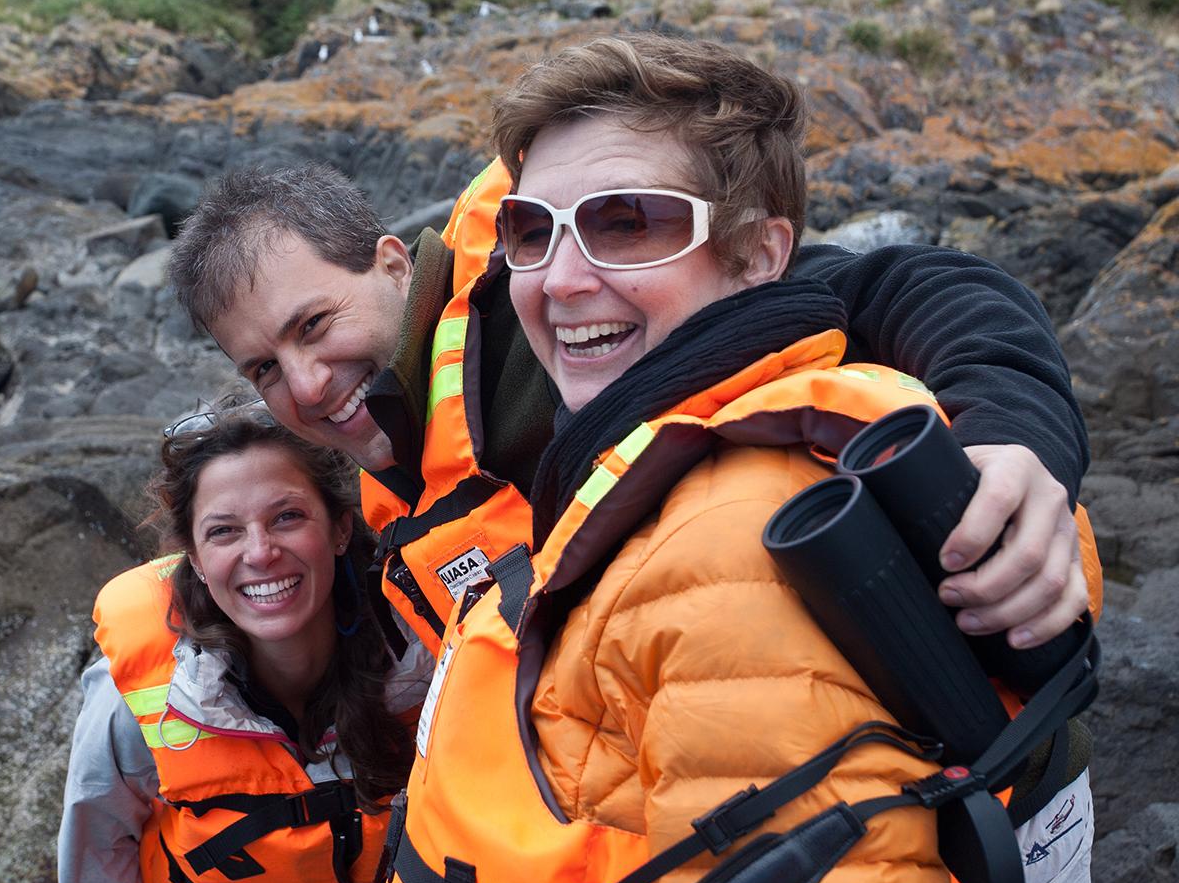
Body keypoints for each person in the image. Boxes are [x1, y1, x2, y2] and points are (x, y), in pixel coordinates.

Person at [367, 33, 1095, 883]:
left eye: (630, 222)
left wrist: (1015, 428)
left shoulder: (730, 547)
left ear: (758, 257)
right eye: (531, 230)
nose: (563, 276)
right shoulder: (559, 362)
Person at [167, 156, 1094, 664]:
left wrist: (1016, 440)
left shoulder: (552, 321)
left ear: (392, 263)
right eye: (264, 369)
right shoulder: (376, 489)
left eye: (315, 325)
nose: (307, 386)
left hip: (942, 809)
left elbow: (901, 288)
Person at [58, 394, 415, 883]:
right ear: (196, 560)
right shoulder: (142, 688)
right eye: (224, 531)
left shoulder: (419, 645)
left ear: (340, 529)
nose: (261, 553)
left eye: (287, 517)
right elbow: (95, 856)